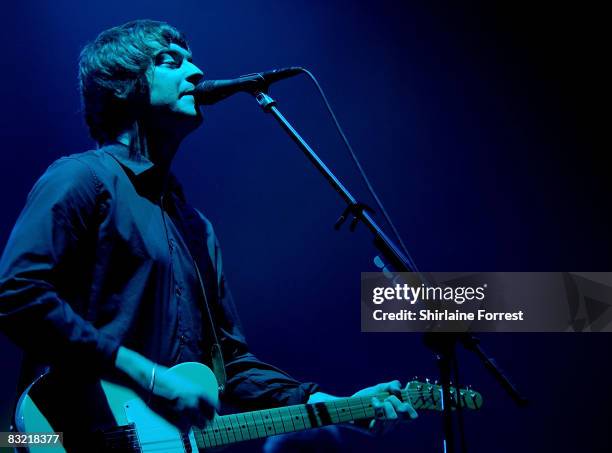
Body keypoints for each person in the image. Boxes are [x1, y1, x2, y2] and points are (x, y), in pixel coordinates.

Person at [0, 19, 416, 451]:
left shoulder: (195, 227)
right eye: (171, 61)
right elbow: (18, 293)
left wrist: (333, 404)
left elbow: (231, 365)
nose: (197, 72)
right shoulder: (81, 178)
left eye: (193, 61)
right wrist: (151, 378)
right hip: (65, 433)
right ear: (122, 84)